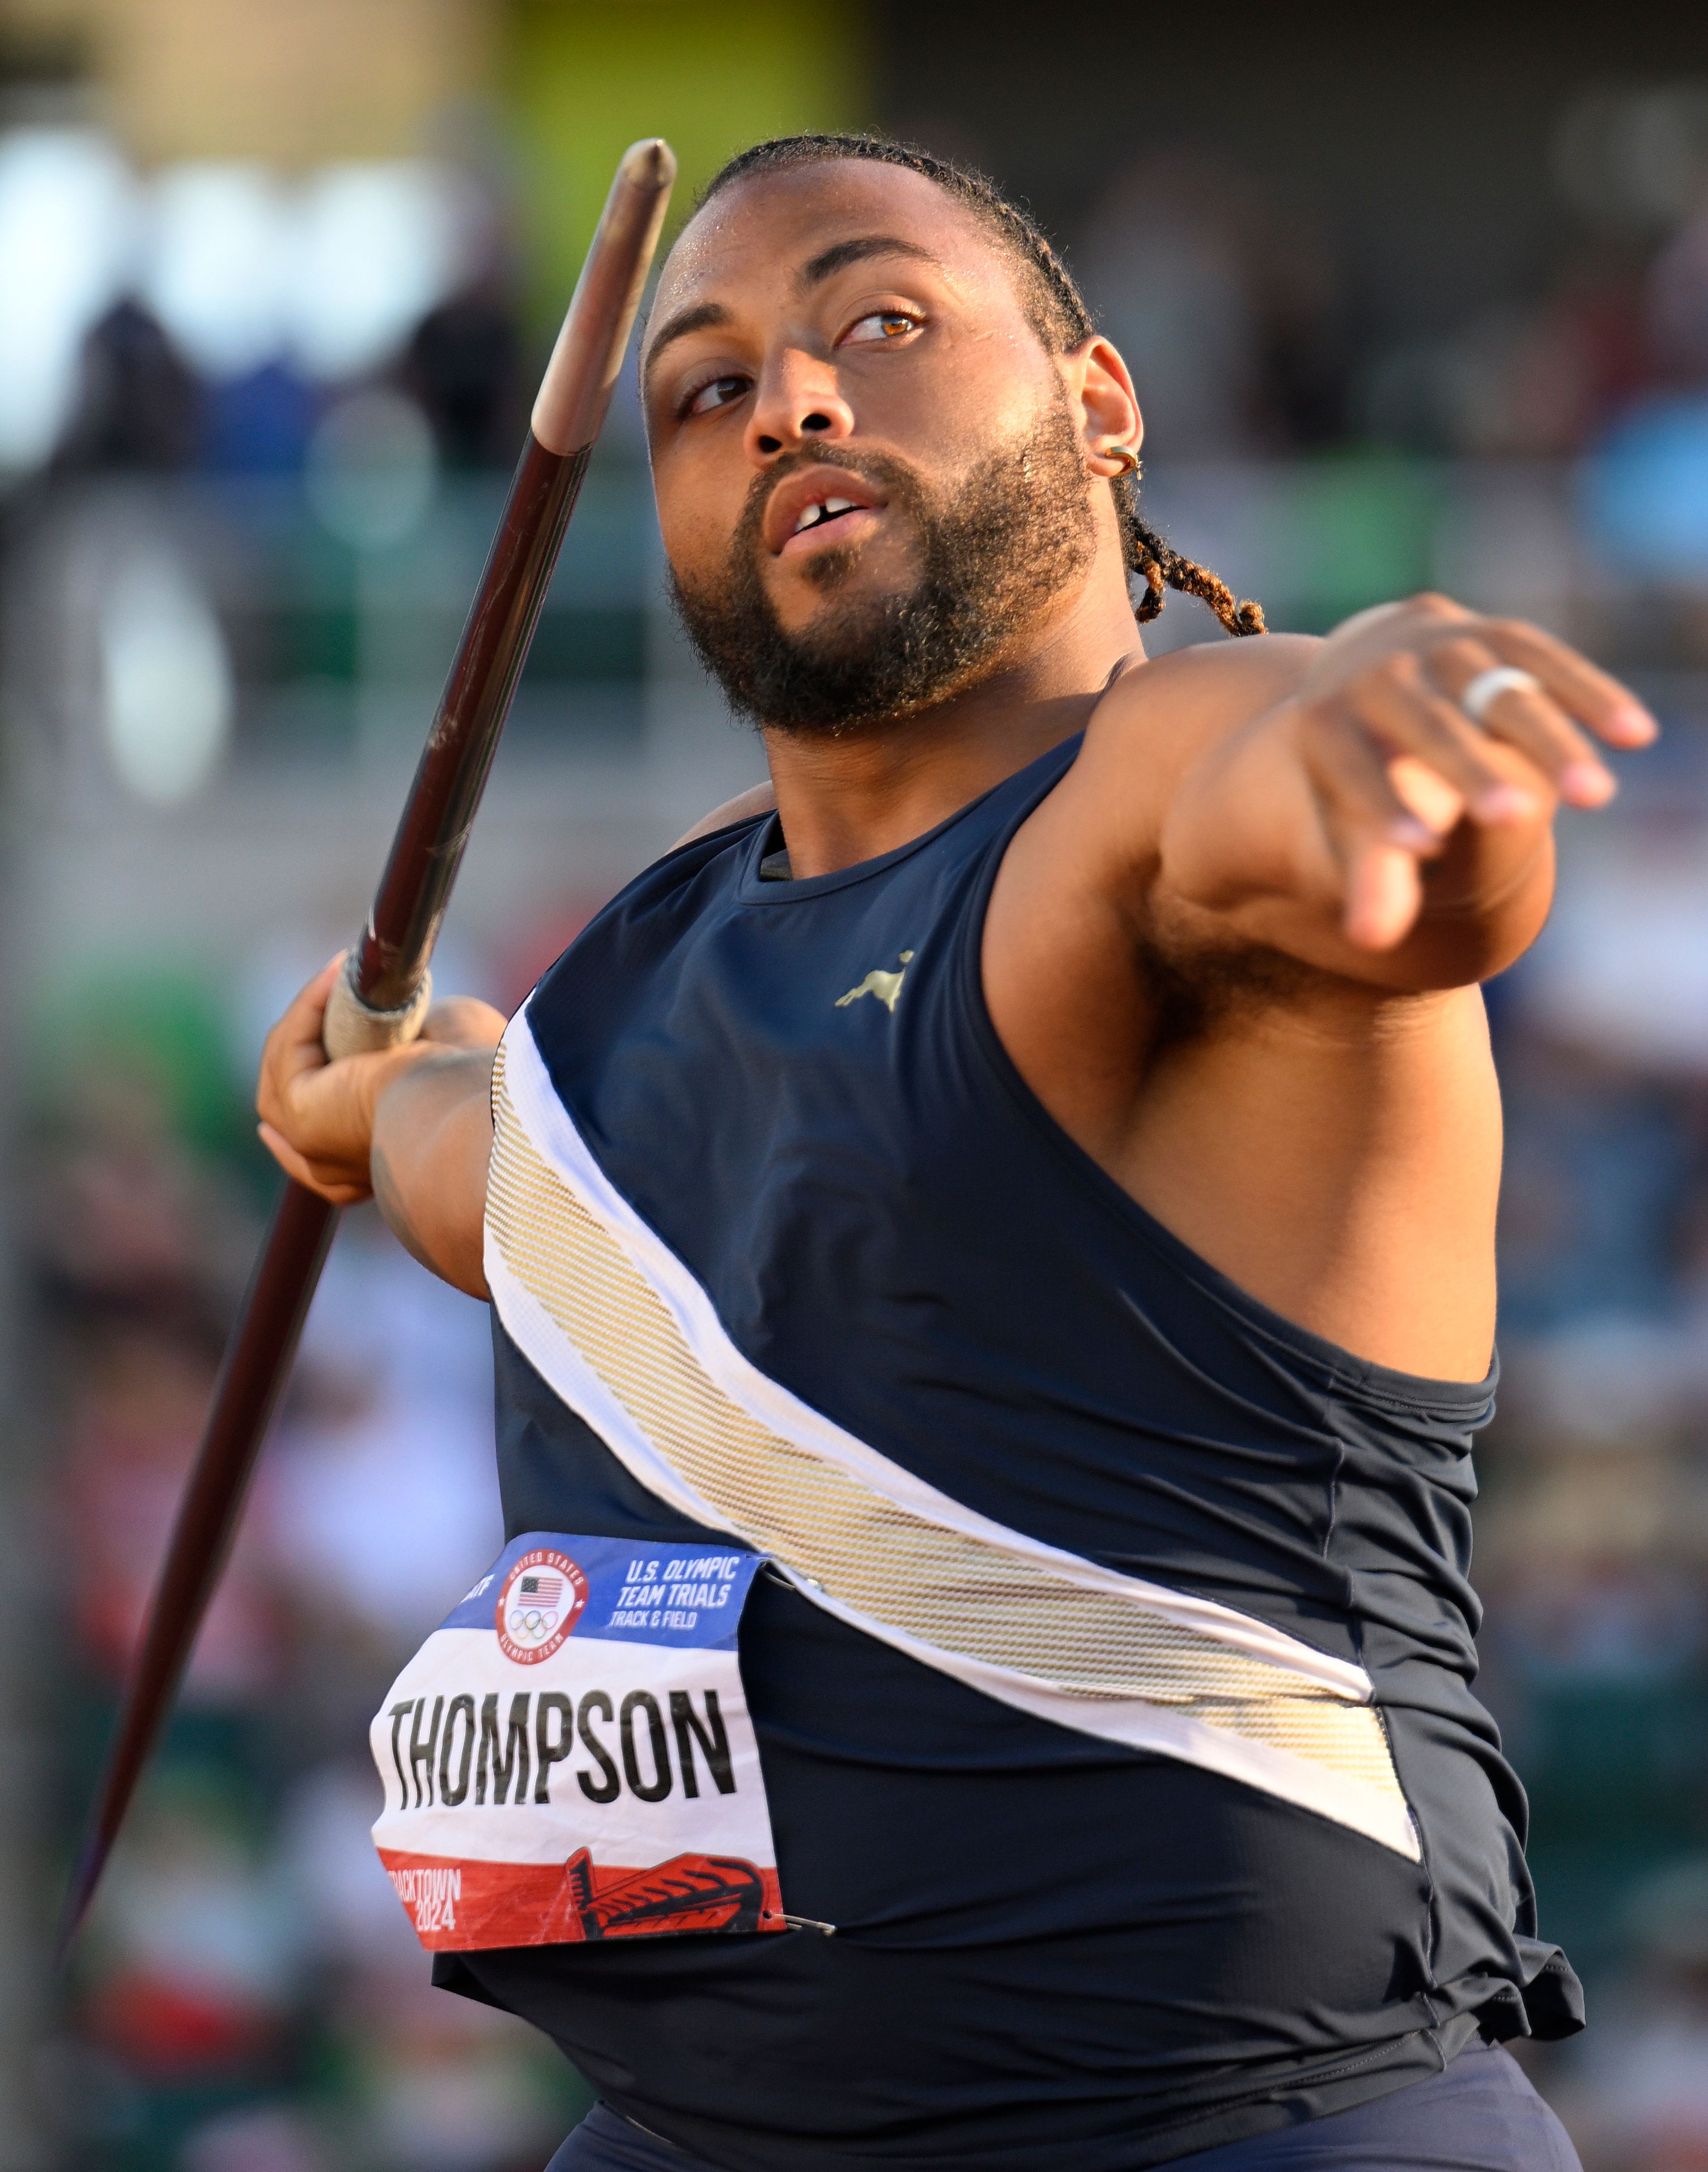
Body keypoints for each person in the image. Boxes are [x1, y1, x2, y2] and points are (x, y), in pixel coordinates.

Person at [255, 135, 1650, 2171]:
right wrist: (363, 1101)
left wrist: (1392, 743)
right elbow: (466, 1155)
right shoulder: (617, 1001)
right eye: (707, 388)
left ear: (1099, 407)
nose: (795, 397)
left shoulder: (1144, 819)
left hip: (1241, 2131)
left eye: (878, 321)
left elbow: (1287, 796)